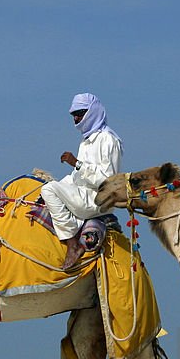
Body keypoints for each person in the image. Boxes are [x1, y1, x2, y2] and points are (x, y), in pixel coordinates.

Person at [41, 93, 123, 269]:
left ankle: (72, 244)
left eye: (80, 113)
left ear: (92, 111)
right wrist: (70, 176)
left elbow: (108, 182)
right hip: (84, 195)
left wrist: (77, 164)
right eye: (74, 115)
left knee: (48, 190)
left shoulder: (108, 140)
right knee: (47, 189)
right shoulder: (86, 141)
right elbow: (76, 179)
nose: (76, 118)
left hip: (97, 200)